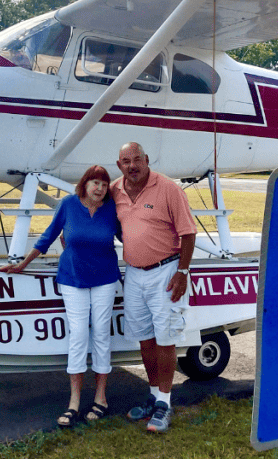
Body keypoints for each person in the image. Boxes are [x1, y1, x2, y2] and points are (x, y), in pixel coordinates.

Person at [0, 165, 121, 427]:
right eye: (94, 183)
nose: (99, 188)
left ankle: (101, 397)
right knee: (78, 334)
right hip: (73, 278)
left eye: (103, 184)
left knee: (100, 333)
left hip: (105, 279)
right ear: (84, 184)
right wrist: (22, 264)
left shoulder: (112, 209)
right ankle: (74, 402)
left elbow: (130, 237)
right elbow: (47, 237)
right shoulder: (68, 204)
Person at [111, 142, 197, 433]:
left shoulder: (168, 188)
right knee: (145, 338)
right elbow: (94, 211)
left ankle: (165, 403)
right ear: (119, 164)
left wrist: (183, 271)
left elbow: (188, 232)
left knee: (165, 338)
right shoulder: (115, 189)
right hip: (134, 273)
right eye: (126, 161)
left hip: (166, 271)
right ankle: (152, 396)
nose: (132, 165)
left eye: (137, 159)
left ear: (147, 160)